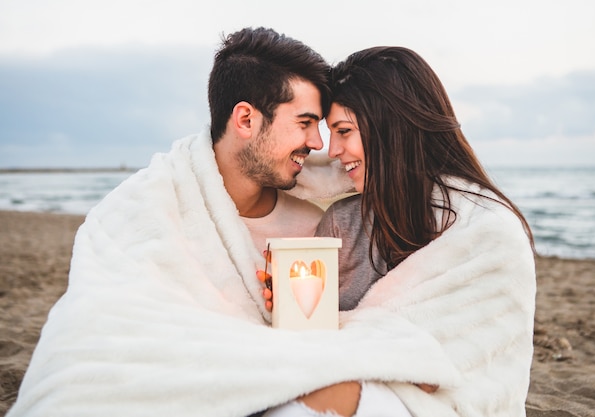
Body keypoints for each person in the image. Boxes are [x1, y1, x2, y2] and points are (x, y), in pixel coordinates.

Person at [6, 29, 436, 417]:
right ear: (246, 119)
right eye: (305, 123)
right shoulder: (149, 208)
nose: (318, 143)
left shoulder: (323, 222)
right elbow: (106, 328)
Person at [262, 46, 536, 417]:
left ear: (390, 127)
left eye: (344, 131)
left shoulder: (488, 232)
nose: (333, 150)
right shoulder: (344, 224)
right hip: (351, 387)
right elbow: (314, 341)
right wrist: (292, 306)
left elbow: (447, 368)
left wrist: (369, 347)